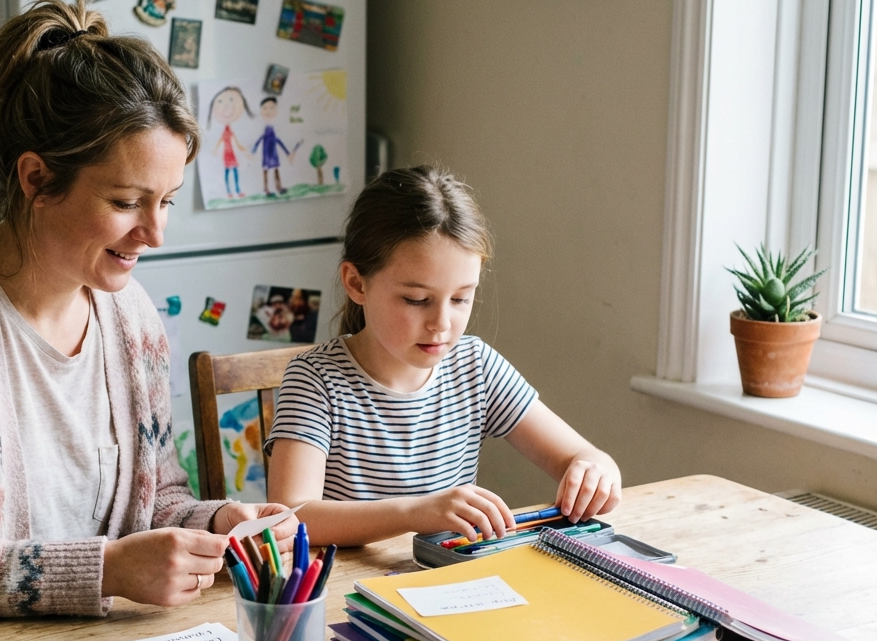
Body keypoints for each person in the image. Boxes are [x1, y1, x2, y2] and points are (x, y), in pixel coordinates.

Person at [0, 0, 295, 628]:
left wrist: (217, 523)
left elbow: (155, 504)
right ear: (37, 179)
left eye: (168, 201)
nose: (155, 232)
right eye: (127, 201)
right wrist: (108, 571)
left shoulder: (134, 321)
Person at [264, 166, 621, 546]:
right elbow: (291, 515)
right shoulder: (315, 378)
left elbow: (582, 455)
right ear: (356, 283)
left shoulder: (476, 367)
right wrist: (416, 512)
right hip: (350, 595)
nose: (442, 323)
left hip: (448, 585)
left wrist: (596, 469)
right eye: (417, 300)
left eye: (461, 298)